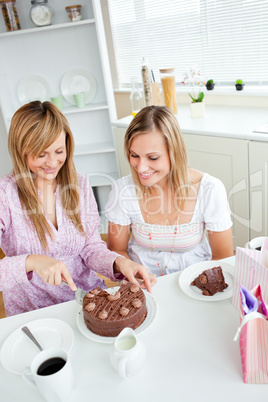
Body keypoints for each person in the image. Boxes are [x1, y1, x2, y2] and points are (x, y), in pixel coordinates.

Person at [0, 101, 156, 316]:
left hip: (85, 300)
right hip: (31, 311)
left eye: (59, 151)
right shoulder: (5, 195)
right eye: (41, 154)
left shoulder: (79, 185)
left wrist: (120, 263)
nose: (52, 163)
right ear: (20, 151)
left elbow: (91, 248)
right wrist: (32, 261)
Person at [105, 106, 233, 277]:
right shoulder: (123, 191)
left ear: (175, 153)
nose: (141, 167)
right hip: (143, 287)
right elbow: (116, 250)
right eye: (134, 155)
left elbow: (222, 257)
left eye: (153, 157)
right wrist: (137, 278)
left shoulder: (209, 190)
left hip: (196, 285)